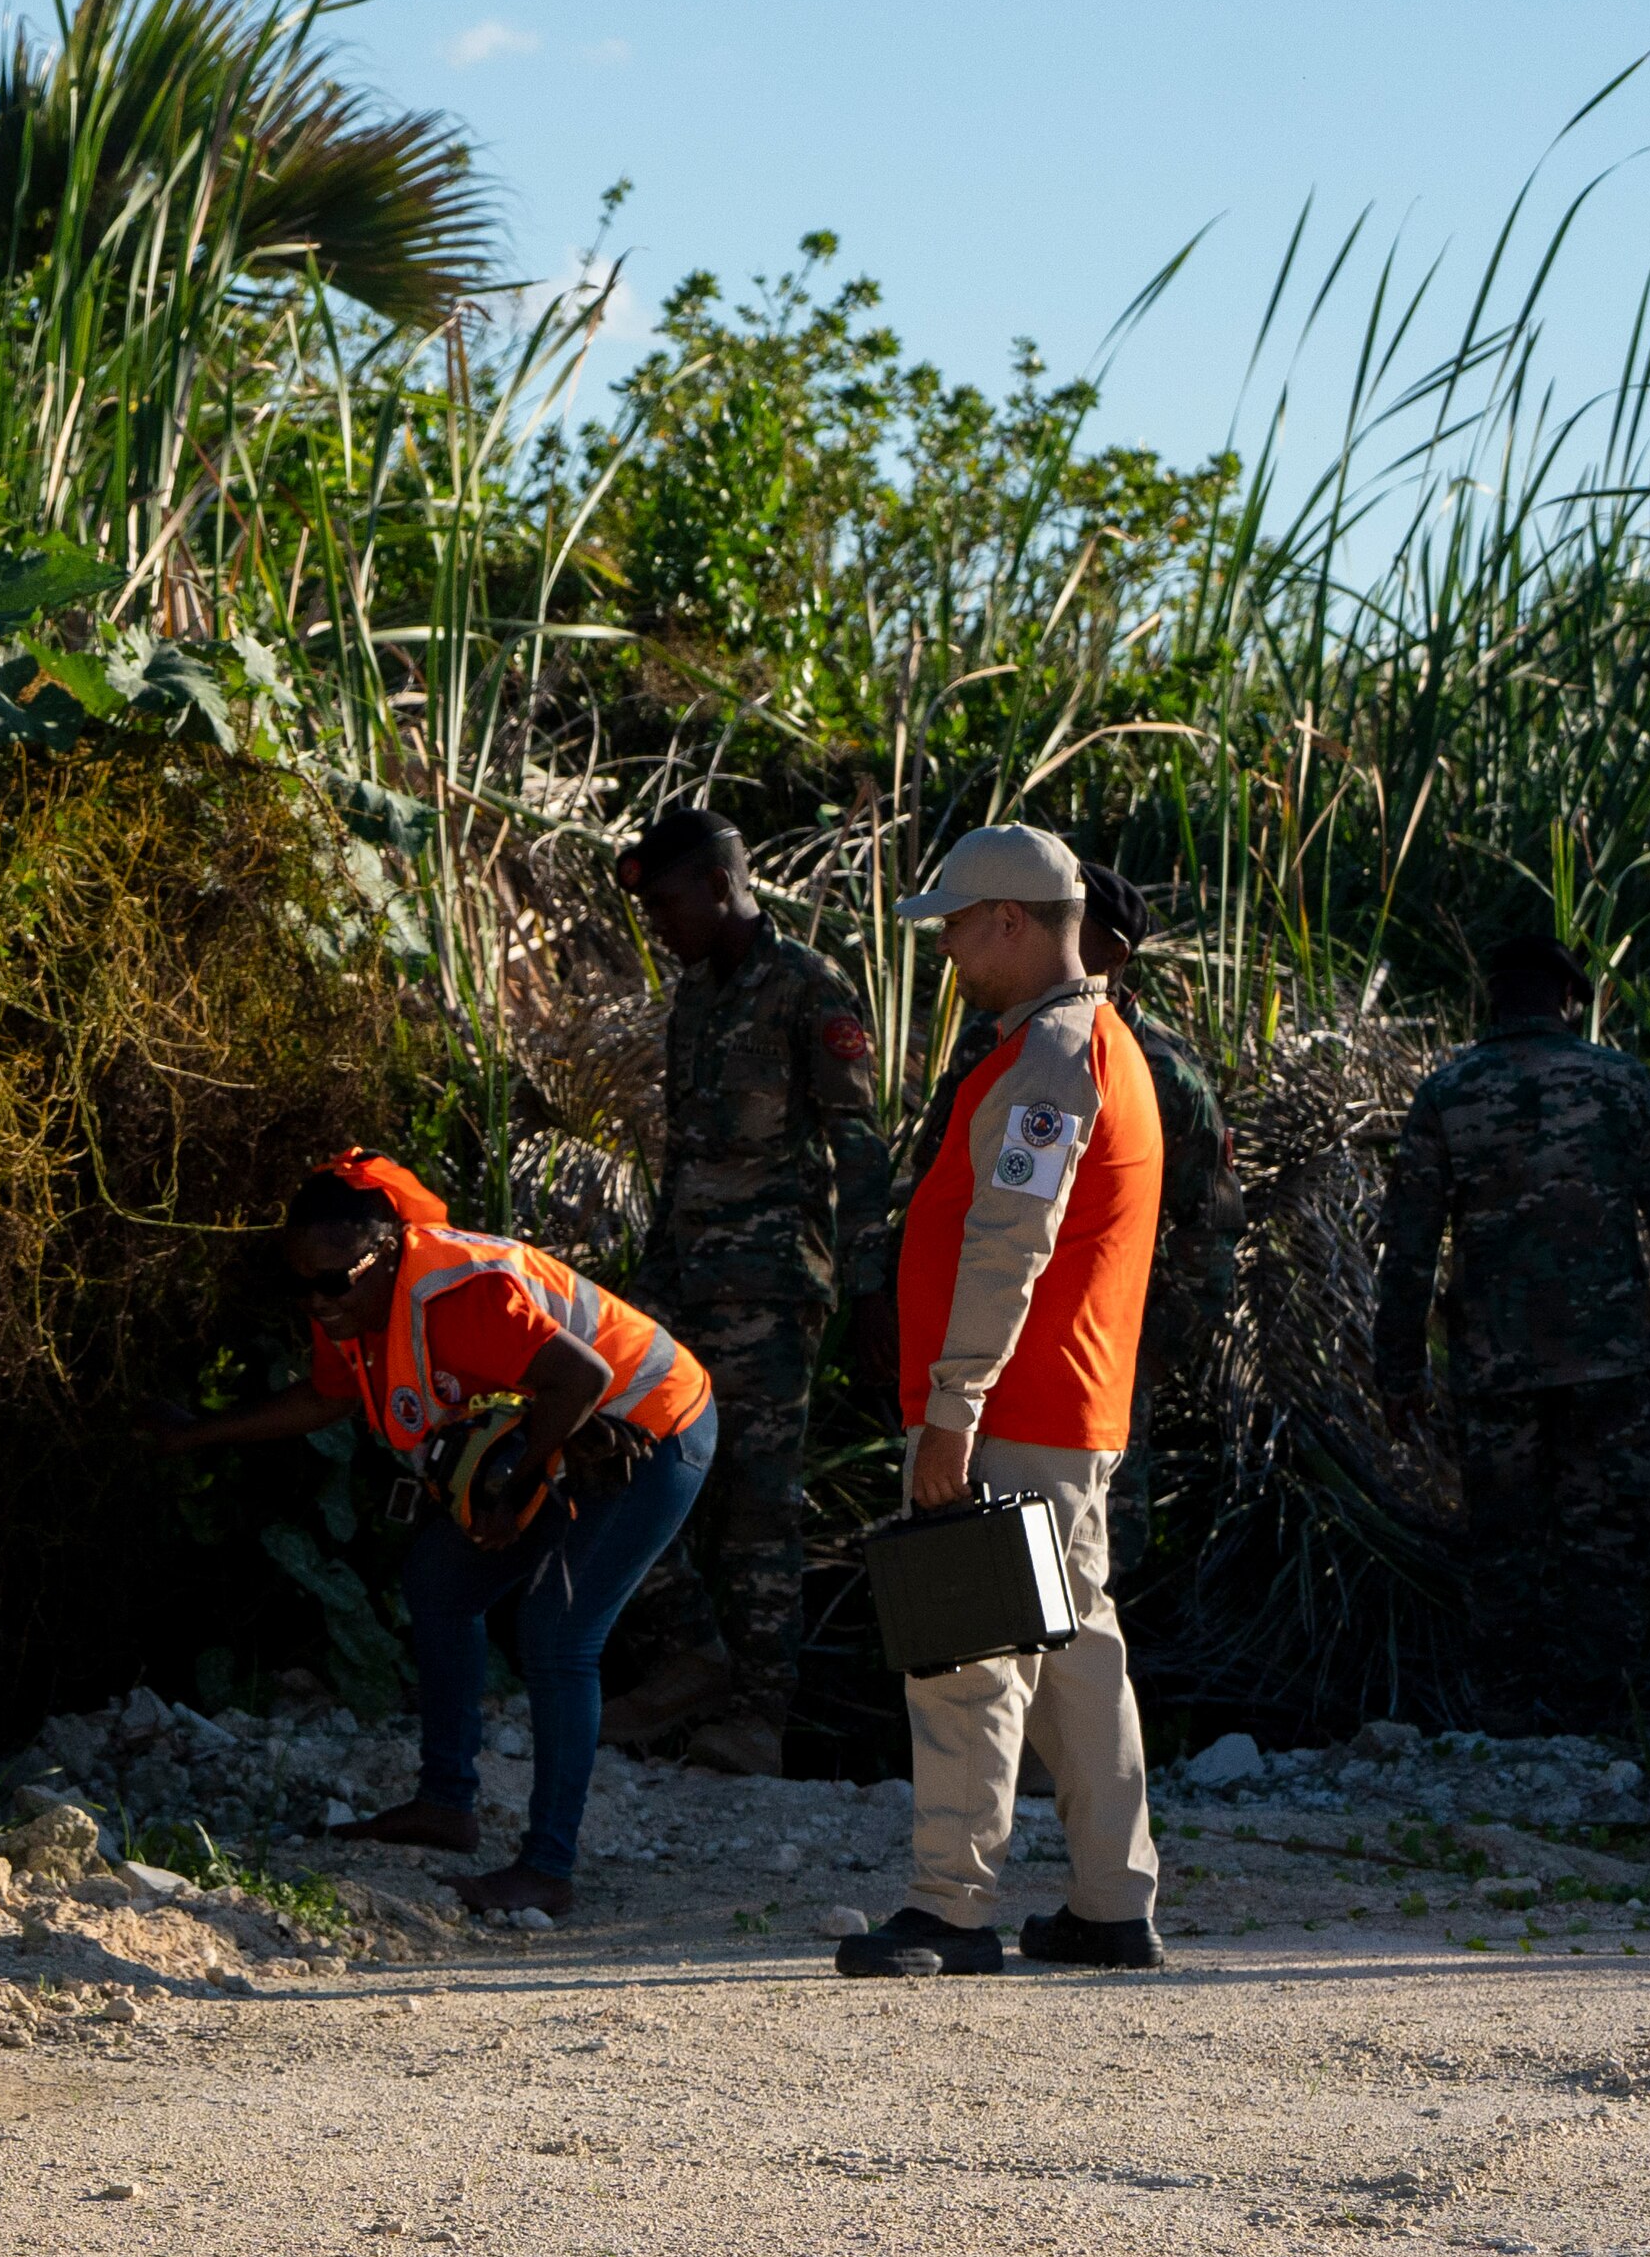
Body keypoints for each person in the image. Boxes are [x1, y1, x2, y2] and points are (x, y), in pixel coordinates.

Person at [147, 1150, 717, 1917]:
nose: (318, 1302)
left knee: (558, 1634)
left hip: (650, 1428)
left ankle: (547, 1866)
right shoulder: (356, 1303)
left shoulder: (458, 1293)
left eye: (334, 1281)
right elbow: (326, 1396)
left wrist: (509, 1491)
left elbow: (580, 1377)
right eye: (302, 1283)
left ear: (386, 1253)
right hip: (560, 1432)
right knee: (439, 1583)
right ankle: (447, 1805)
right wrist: (197, 1434)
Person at [833, 824, 1165, 1981]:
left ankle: (949, 1910)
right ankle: (1107, 1905)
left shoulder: (1047, 1059)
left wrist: (950, 1407)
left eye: (956, 928)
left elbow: (1005, 1244)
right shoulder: (1090, 1043)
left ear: (1010, 923)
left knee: (967, 1652)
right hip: (1061, 1405)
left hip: (1013, 1404)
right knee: (1075, 1652)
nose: (947, 953)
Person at [607, 808, 895, 1776]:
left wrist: (869, 1295)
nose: (657, 923)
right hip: (680, 1281)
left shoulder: (805, 991)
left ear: (721, 886)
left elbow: (859, 1152)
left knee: (756, 1506)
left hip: (770, 1292)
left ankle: (759, 1721)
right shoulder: (694, 996)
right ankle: (689, 1657)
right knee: (622, 1459)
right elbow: (681, 1155)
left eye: (666, 901)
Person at [1370, 932, 1650, 1736]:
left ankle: (1510, 1727)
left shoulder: (1448, 1093)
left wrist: (1398, 1373)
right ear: (1568, 1000)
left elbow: (1407, 1249)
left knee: (1505, 1547)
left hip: (1494, 1368)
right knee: (1607, 1544)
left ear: (1493, 1001)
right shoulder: (1623, 1083)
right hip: (1611, 1364)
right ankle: (1600, 1724)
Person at [906, 862, 1240, 1562]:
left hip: (1057, 1382)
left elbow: (1203, 1233)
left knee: (1008, 1618)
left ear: (1112, 954)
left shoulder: (1116, 1063)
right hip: (999, 1373)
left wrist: (1137, 1346)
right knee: (1065, 1612)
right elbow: (941, 1187)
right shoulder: (999, 1042)